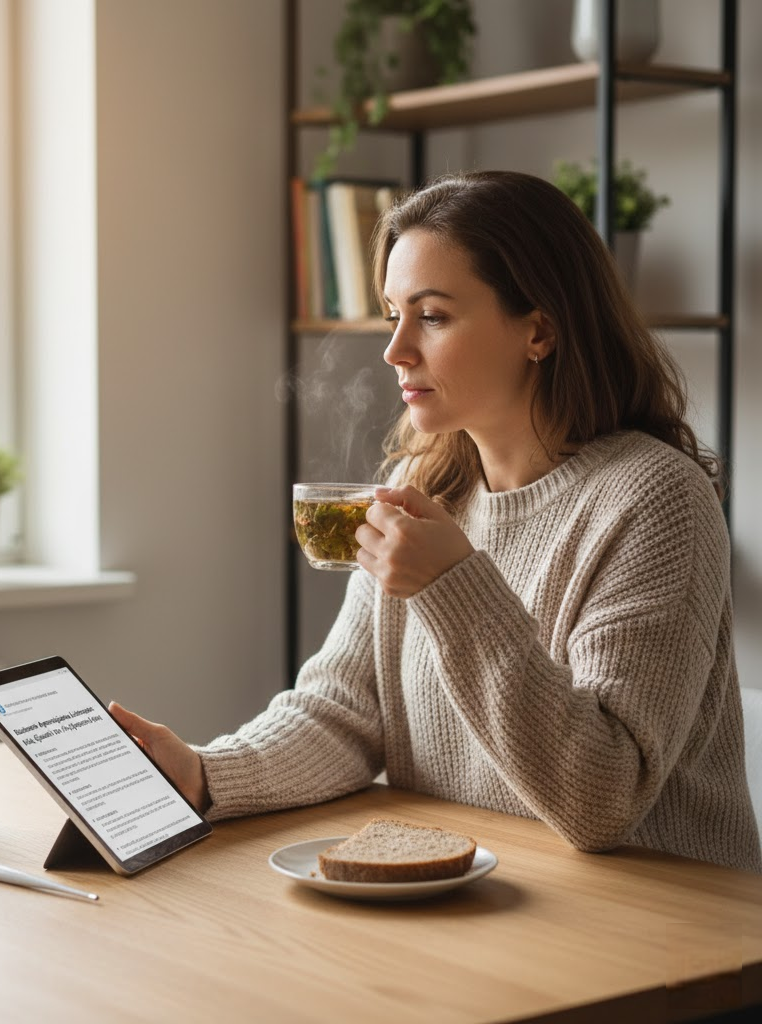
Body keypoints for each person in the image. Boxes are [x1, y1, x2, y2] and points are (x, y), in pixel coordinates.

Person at [110, 170, 762, 873]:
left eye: (434, 316)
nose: (395, 351)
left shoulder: (655, 500)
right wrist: (204, 773)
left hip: (668, 933)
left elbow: (601, 799)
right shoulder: (421, 489)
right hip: (475, 902)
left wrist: (454, 585)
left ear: (539, 330)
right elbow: (343, 714)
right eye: (394, 314)